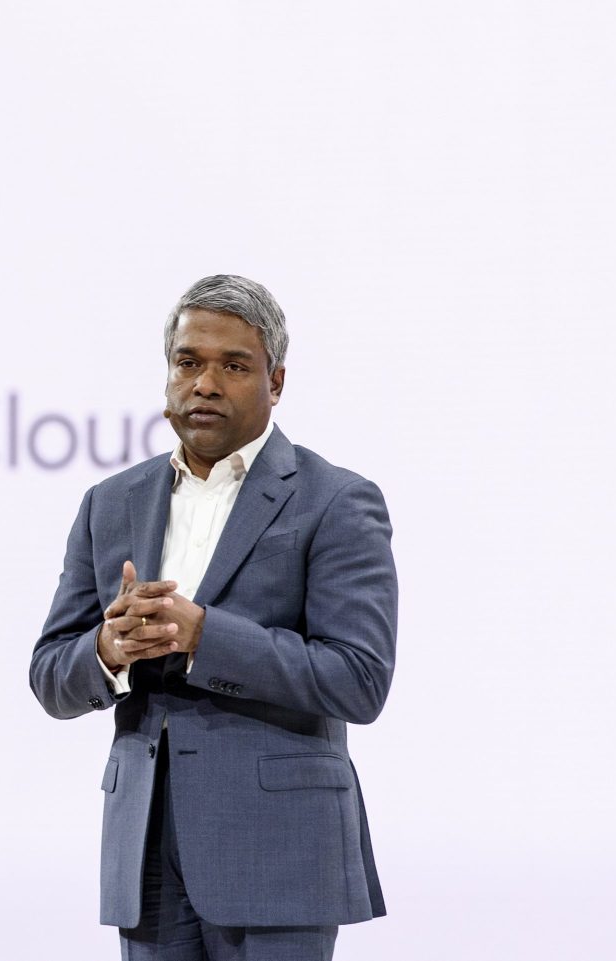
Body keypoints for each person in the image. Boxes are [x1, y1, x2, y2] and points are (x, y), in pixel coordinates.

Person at [29, 275, 397, 961]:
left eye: (234, 365)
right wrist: (108, 648)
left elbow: (359, 678)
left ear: (276, 381)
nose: (204, 382)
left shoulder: (336, 500)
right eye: (188, 361)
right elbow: (50, 674)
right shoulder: (110, 503)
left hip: (278, 852)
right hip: (146, 855)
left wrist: (204, 636)